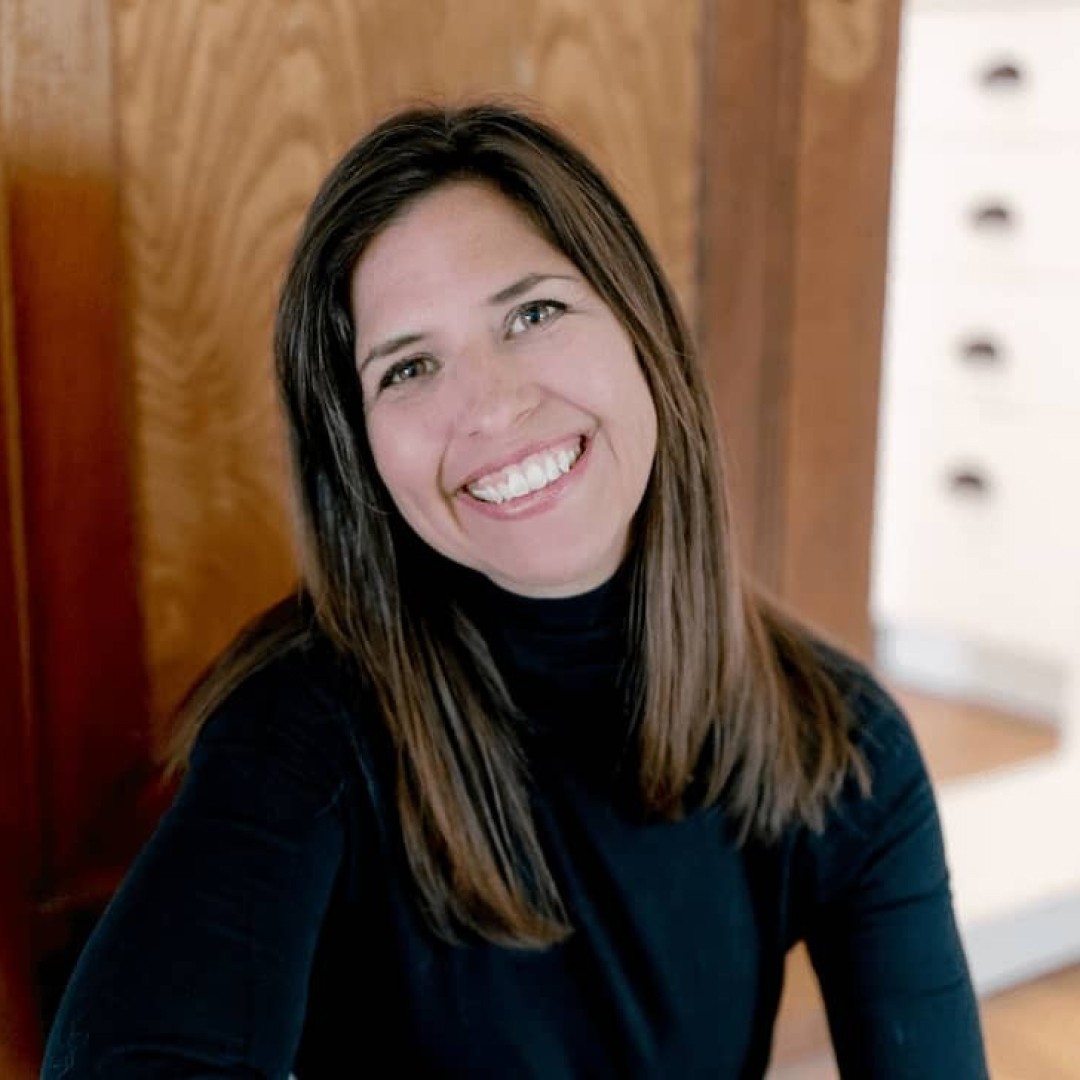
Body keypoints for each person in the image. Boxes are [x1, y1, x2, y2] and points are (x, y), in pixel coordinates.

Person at [42, 101, 989, 1078]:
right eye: (409, 367)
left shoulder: (841, 743)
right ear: (361, 454)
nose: (491, 406)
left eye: (532, 314)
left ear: (641, 331)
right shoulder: (299, 734)